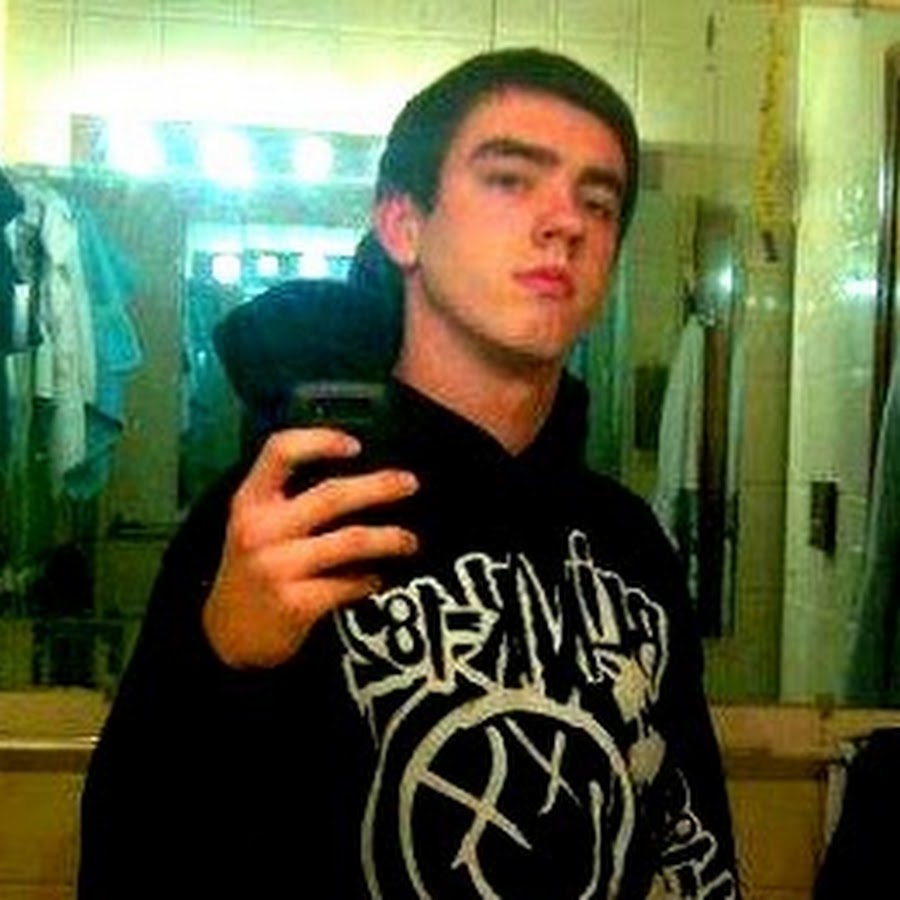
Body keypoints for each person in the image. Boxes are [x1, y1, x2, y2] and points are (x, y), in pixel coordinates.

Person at [78, 48, 740, 899]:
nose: (564, 222)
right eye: (511, 179)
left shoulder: (628, 540)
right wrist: (216, 666)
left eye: (598, 201)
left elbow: (693, 844)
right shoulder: (288, 516)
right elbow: (127, 866)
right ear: (401, 224)